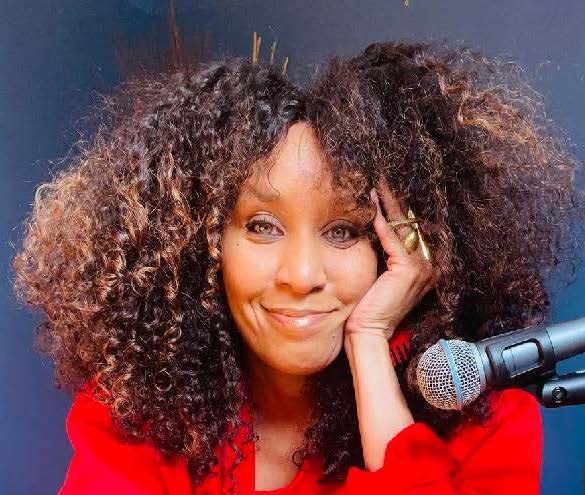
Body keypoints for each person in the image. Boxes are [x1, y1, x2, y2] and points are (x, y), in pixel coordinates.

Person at [11, 40, 584, 494]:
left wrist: (369, 341)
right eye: (262, 226)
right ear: (200, 242)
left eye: (344, 232)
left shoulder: (484, 421)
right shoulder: (139, 410)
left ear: (402, 250)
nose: (301, 274)